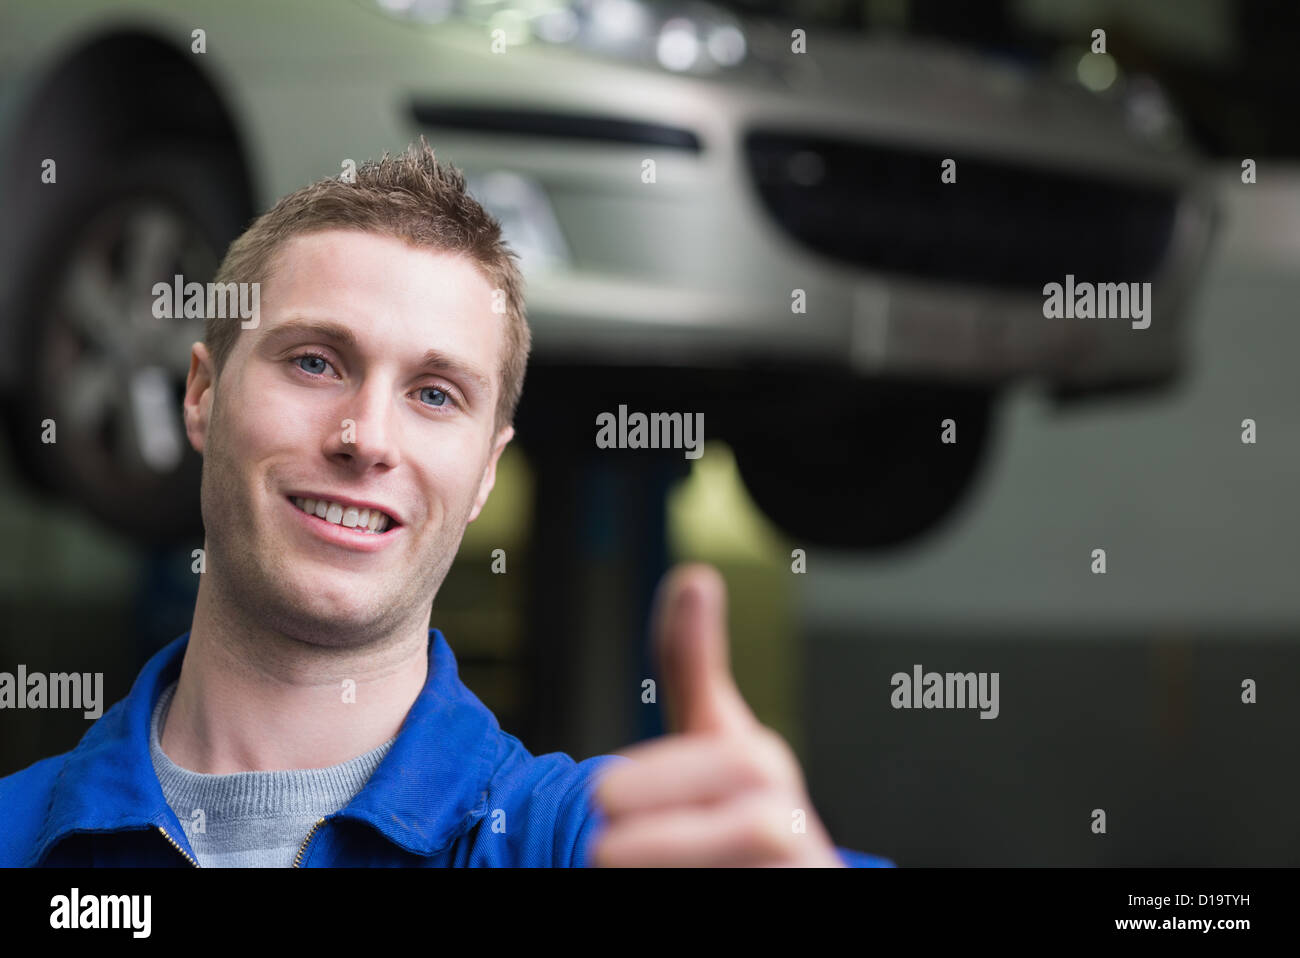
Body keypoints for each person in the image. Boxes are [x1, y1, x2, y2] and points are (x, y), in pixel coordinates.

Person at [0, 141, 891, 868]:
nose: (366, 437)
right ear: (201, 394)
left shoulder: (568, 841)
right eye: (315, 361)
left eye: (434, 394)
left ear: (487, 473)